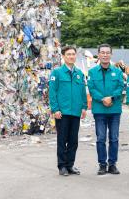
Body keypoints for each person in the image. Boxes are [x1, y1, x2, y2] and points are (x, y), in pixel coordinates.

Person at [49, 45, 87, 176]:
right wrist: (55, 109)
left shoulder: (79, 74)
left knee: (73, 141)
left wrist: (84, 107)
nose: (71, 56)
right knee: (62, 140)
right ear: (63, 56)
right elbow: (52, 93)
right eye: (68, 54)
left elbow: (83, 92)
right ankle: (62, 166)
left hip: (75, 112)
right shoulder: (57, 73)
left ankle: (70, 165)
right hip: (62, 113)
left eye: (73, 54)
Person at [87, 44, 124, 175]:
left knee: (114, 138)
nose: (105, 55)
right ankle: (102, 164)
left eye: (107, 52)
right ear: (98, 54)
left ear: (111, 55)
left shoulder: (118, 72)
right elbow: (91, 89)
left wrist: (112, 98)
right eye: (102, 52)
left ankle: (112, 164)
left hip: (114, 110)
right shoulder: (92, 72)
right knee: (101, 138)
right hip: (99, 110)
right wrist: (103, 99)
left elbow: (121, 87)